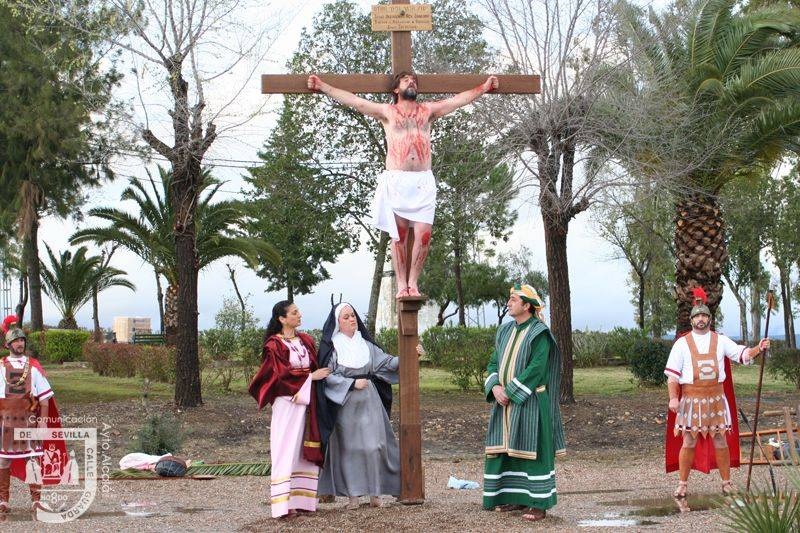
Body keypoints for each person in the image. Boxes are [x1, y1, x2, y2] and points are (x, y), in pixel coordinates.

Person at [307, 72, 498, 298]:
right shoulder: (387, 112)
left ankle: (413, 282)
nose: (412, 82)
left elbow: (457, 101)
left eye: (414, 80)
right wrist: (323, 86)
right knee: (398, 236)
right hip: (398, 180)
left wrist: (484, 87)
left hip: (422, 181)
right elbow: (355, 101)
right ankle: (401, 284)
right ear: (396, 89)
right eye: (406, 80)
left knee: (424, 236)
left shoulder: (427, 111)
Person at [664, 287, 769, 497]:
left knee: (720, 440)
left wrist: (758, 348)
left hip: (716, 400)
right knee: (689, 441)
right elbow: (673, 376)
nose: (701, 319)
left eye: (704, 316)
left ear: (710, 319)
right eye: (697, 316)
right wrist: (674, 398)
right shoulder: (681, 344)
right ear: (692, 320)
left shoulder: (720, 340)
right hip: (691, 400)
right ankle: (682, 484)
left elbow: (741, 354)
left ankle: (726, 483)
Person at [482, 285, 566, 522]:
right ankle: (514, 497)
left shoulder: (539, 333)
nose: (508, 303)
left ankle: (538, 504)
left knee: (533, 450)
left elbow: (537, 368)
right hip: (504, 402)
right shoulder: (504, 330)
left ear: (527, 305)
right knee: (508, 450)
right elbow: (493, 363)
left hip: (531, 402)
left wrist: (510, 392)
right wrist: (495, 388)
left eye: (513, 299)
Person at [316, 302, 406, 509]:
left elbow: (386, 363)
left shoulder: (366, 345)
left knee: (375, 446)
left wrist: (409, 355)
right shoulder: (333, 348)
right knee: (350, 449)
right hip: (345, 404)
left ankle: (376, 493)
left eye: (353, 315)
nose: (352, 319)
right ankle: (353, 496)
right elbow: (326, 377)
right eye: (346, 317)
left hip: (369, 401)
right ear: (338, 322)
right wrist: (350, 384)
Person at [248, 301, 331, 519]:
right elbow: (278, 375)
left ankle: (302, 501)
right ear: (282, 319)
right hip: (287, 401)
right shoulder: (273, 345)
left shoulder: (305, 340)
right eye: (294, 312)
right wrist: (310, 377)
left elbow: (313, 364)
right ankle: (283, 505)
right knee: (286, 447)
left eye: (298, 311)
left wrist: (312, 378)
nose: (299, 314)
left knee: (302, 446)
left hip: (307, 400)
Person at [0, 315, 65, 515]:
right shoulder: (0, 367)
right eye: (16, 341)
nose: (20, 343)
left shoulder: (33, 367)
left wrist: (43, 424)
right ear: (7, 344)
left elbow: (44, 400)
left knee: (33, 461)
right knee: (3, 461)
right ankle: (3, 501)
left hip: (29, 422)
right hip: (6, 423)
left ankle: (36, 500)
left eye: (22, 340)